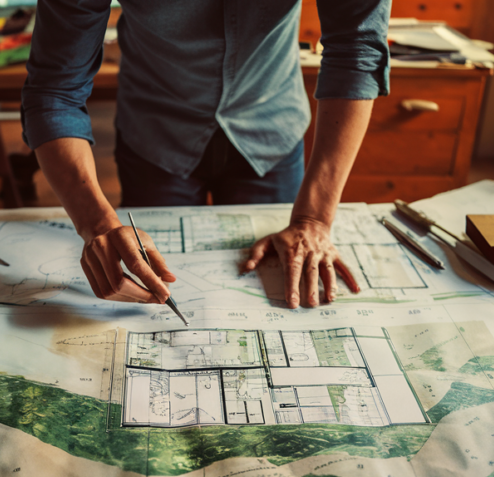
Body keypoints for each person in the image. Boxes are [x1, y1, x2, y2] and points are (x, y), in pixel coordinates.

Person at [21, 0, 390, 309]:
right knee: (149, 277)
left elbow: (356, 49)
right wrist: (95, 222)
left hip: (272, 130)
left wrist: (314, 219)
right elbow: (55, 89)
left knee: (283, 281)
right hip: (155, 136)